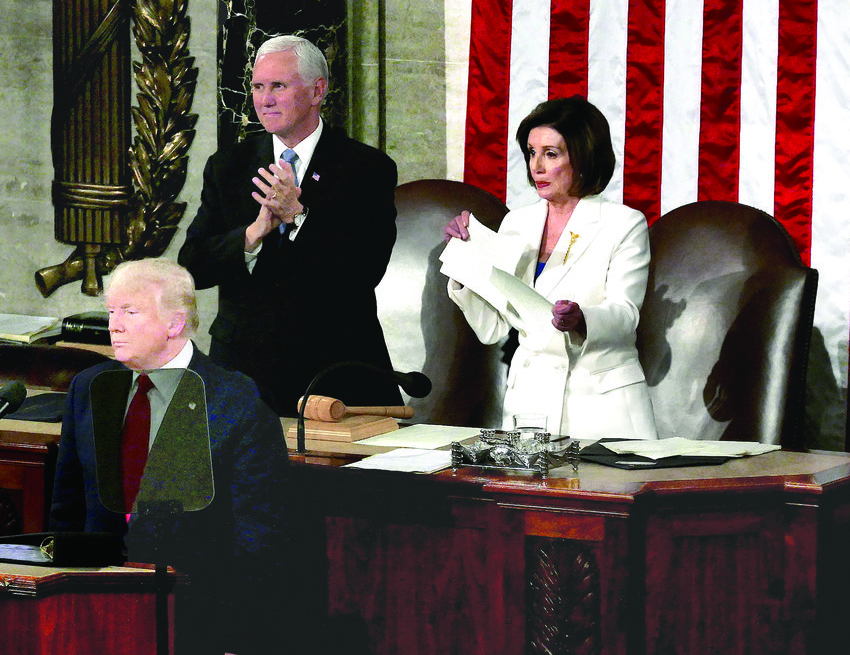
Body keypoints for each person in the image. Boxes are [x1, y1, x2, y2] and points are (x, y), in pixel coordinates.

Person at [49, 258, 290, 655]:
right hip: (98, 617)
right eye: (110, 311)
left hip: (197, 624)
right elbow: (67, 510)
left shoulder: (235, 400)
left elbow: (262, 536)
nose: (113, 326)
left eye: (130, 312)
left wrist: (245, 643)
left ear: (175, 323)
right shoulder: (89, 386)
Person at [178, 35, 402, 417]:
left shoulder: (367, 168)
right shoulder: (228, 166)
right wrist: (252, 236)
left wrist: (298, 218)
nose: (265, 99)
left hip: (334, 373)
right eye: (258, 87)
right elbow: (193, 265)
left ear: (317, 91)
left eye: (278, 86)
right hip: (244, 371)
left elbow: (365, 269)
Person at [443, 96, 657, 440]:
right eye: (531, 152)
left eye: (551, 154)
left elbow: (626, 314)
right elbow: (493, 329)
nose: (536, 166)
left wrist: (582, 318)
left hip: (600, 409)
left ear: (584, 157)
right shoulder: (517, 223)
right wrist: (465, 263)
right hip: (529, 406)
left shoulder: (623, 224)